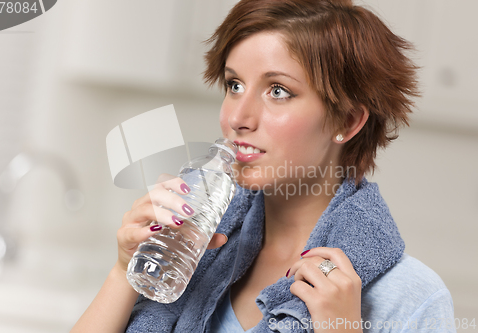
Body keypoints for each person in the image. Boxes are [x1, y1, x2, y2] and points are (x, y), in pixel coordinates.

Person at [72, 0, 455, 332]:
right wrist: (124, 272)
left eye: (278, 91)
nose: (238, 117)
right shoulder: (192, 251)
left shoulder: (411, 297)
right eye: (234, 84)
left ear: (347, 121)